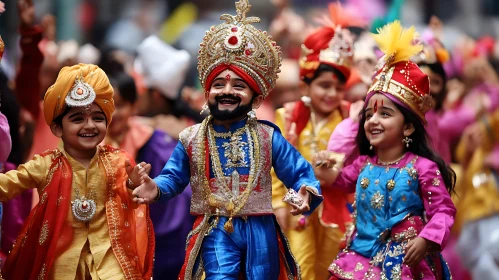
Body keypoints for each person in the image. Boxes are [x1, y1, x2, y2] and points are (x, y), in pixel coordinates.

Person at [132, 0, 323, 278]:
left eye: (238, 85)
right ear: (207, 92)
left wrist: (305, 189)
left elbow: (298, 170)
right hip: (215, 227)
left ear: (257, 99)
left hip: (261, 231)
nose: (226, 91)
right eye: (218, 84)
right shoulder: (192, 137)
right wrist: (156, 188)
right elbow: (173, 177)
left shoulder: (267, 136)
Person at [314, 21, 456, 279]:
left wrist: (426, 239)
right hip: (359, 256)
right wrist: (323, 167)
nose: (373, 121)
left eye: (385, 114)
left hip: (405, 263)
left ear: (408, 128)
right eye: (369, 114)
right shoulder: (362, 165)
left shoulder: (423, 168)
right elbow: (340, 181)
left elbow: (443, 211)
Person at [0, 64, 154, 279]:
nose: (89, 125)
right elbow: (7, 185)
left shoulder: (119, 161)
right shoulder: (45, 165)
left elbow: (125, 198)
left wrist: (132, 185)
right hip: (61, 263)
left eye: (98, 118)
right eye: (78, 119)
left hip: (109, 263)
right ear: (57, 128)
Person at [271, 4, 355, 279]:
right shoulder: (290, 116)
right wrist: (279, 204)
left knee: (333, 269)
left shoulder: (350, 116)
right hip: (299, 209)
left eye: (339, 87)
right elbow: (274, 165)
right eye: (324, 85)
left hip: (339, 209)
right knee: (300, 268)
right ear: (306, 85)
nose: (332, 93)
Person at [104, 71, 194, 279]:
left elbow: (175, 206)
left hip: (155, 247)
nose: (114, 114)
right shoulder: (88, 143)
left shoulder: (155, 144)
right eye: (107, 106)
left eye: (121, 105)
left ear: (134, 107)